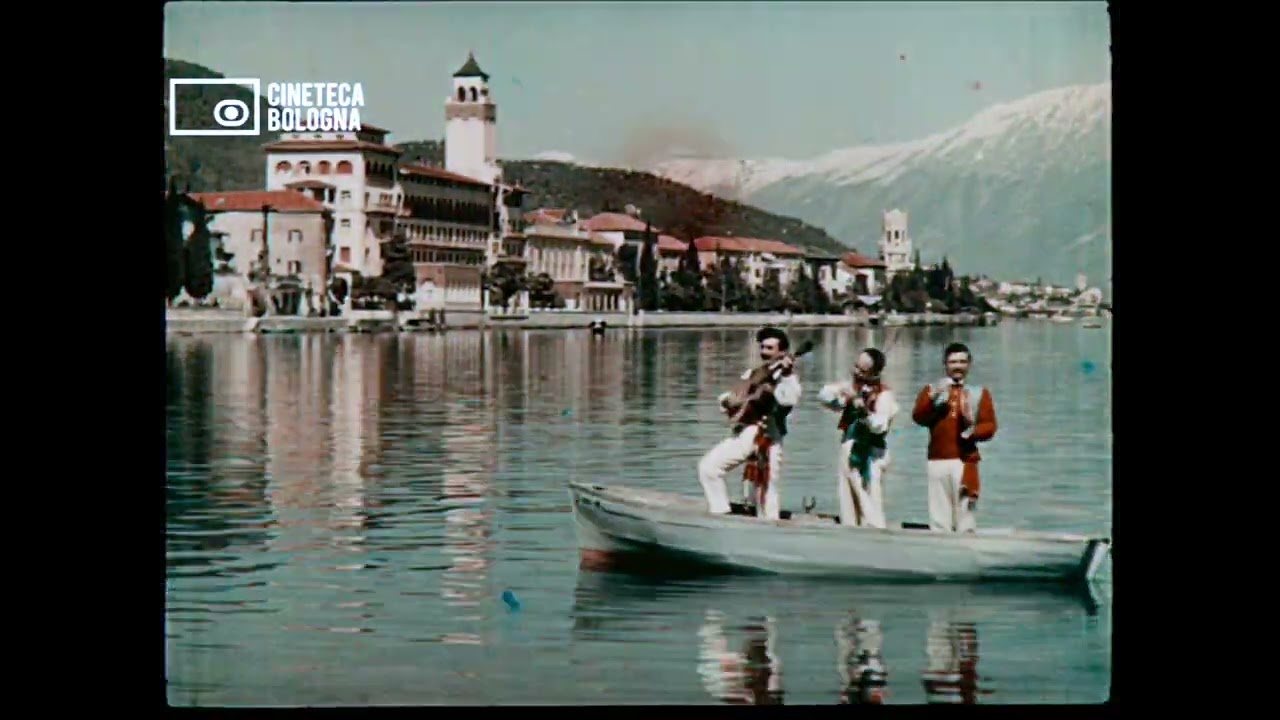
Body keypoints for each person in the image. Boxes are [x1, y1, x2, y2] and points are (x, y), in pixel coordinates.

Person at [698, 326, 802, 520]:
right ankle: (721, 513)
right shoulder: (754, 373)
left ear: (783, 352)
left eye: (770, 348)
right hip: (744, 432)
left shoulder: (788, 379)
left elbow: (789, 400)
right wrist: (728, 401)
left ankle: (770, 529)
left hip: (768, 436)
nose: (764, 352)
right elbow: (736, 394)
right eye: (762, 347)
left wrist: (785, 376)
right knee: (709, 468)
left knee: (766, 488)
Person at [911, 342, 998, 532]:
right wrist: (933, 396)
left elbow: (990, 426)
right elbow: (918, 417)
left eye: (962, 362)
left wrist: (972, 431)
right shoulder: (932, 389)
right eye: (953, 362)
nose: (957, 366)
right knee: (939, 515)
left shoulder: (979, 393)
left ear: (969, 364)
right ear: (945, 364)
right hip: (937, 460)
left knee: (966, 514)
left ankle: (965, 547)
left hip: (964, 461)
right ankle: (940, 548)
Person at [817, 349, 898, 528]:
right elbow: (824, 396)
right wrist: (845, 394)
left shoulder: (884, 395)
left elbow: (879, 426)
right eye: (856, 367)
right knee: (847, 498)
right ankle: (850, 528)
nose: (856, 373)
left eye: (862, 371)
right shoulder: (851, 389)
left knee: (870, 497)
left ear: (874, 373)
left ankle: (875, 531)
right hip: (849, 446)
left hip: (871, 452)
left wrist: (864, 412)